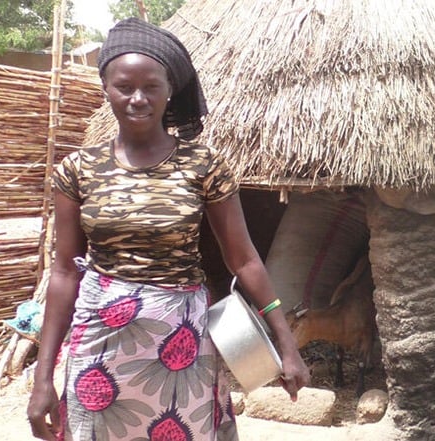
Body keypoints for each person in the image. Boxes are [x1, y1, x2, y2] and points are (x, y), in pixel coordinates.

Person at [27, 17, 310, 441]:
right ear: (105, 87)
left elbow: (244, 258)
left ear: (170, 90)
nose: (138, 99)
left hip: (182, 338)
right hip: (101, 341)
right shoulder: (78, 170)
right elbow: (65, 272)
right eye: (124, 86)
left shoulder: (203, 166)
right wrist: (43, 377)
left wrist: (287, 346)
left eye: (151, 87)